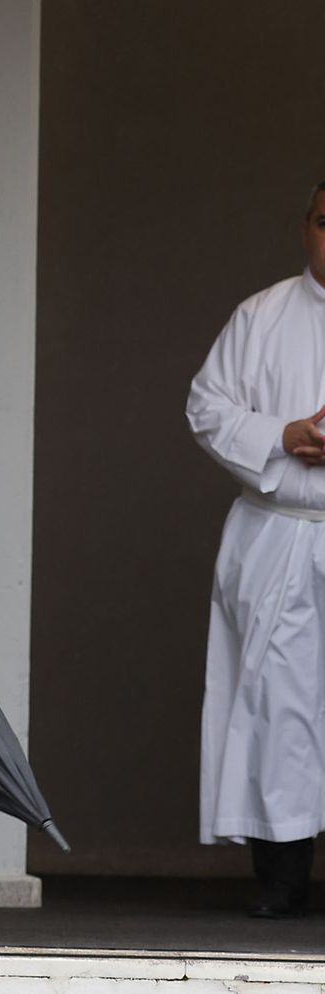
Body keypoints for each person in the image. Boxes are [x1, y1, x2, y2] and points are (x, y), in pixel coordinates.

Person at [187, 178, 325, 919]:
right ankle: (282, 877)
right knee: (279, 703)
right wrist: (282, 435)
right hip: (280, 533)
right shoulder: (261, 316)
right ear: (305, 228)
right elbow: (206, 407)